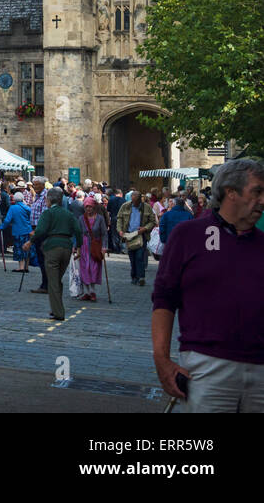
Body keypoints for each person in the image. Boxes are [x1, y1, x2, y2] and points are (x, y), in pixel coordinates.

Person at [152, 158, 264, 412]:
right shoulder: (188, 236)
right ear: (231, 193)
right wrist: (161, 358)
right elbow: (164, 299)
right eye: (257, 191)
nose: (263, 200)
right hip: (207, 367)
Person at [30, 187, 82, 321]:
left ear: (49, 199)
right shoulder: (68, 214)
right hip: (66, 247)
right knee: (56, 280)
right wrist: (79, 247)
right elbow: (77, 230)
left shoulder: (48, 213)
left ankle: (58, 312)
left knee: (53, 282)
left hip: (53, 247)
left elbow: (40, 231)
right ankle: (55, 309)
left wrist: (30, 242)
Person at [116, 189, 157, 286]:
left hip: (140, 235)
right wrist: (120, 230)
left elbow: (152, 222)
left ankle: (141, 277)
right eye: (132, 201)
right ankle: (134, 276)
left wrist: (144, 228)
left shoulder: (146, 207)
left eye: (135, 202)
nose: (133, 203)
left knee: (139, 256)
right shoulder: (125, 206)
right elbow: (119, 218)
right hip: (129, 235)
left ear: (140, 200)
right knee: (132, 257)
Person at [76, 197, 107, 301]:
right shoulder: (81, 218)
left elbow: (104, 234)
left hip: (95, 246)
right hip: (84, 246)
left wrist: (104, 247)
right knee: (84, 268)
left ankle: (93, 291)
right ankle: (87, 292)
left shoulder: (100, 218)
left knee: (94, 268)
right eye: (86, 207)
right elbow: (78, 233)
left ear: (94, 207)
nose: (88, 209)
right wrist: (76, 247)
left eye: (90, 207)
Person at [5, 191, 33, 272]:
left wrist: (2, 227)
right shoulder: (27, 208)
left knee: (19, 248)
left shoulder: (13, 208)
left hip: (18, 231)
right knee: (27, 248)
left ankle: (21, 267)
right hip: (28, 230)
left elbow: (7, 220)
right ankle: (26, 267)